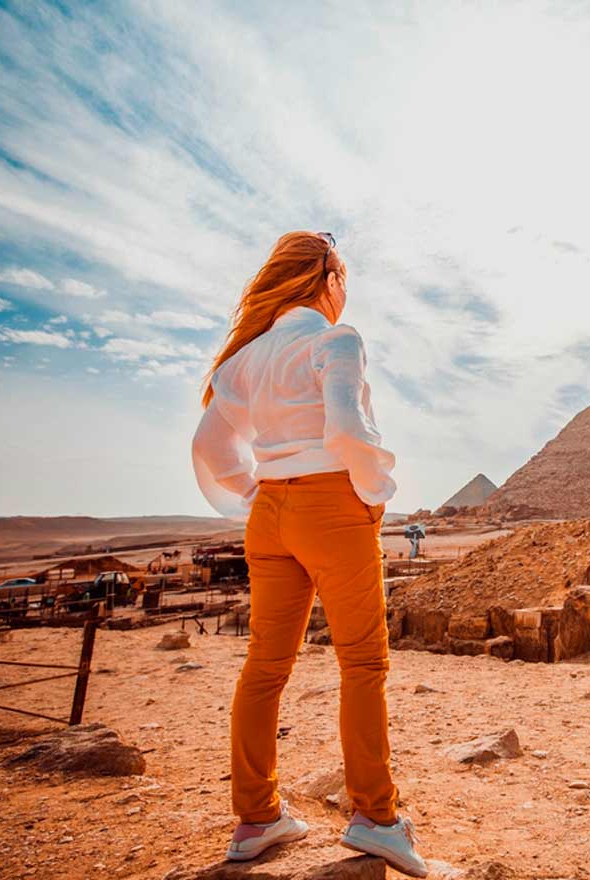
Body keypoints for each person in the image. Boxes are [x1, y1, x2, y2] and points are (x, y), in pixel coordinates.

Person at [192, 231, 427, 875]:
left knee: (265, 667)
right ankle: (376, 818)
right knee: (362, 663)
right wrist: (372, 494)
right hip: (334, 507)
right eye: (344, 278)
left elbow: (212, 450)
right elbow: (348, 426)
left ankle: (256, 819)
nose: (345, 292)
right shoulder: (335, 339)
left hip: (268, 516)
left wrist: (259, 497)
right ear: (326, 280)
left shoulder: (243, 359)